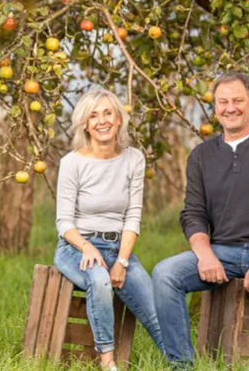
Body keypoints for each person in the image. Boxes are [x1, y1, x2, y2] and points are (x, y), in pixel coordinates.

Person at [152, 72, 249, 370]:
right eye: (223, 102)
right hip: (223, 252)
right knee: (165, 275)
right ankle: (181, 366)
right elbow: (193, 214)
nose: (231, 108)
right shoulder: (201, 156)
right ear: (215, 108)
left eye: (238, 100)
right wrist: (205, 255)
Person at [53, 88, 165, 371]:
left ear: (118, 119)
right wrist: (87, 247)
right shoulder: (72, 163)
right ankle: (108, 363)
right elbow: (63, 222)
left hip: (118, 248)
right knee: (100, 280)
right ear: (85, 124)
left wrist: (123, 261)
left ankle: (182, 362)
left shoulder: (134, 159)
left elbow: (132, 216)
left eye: (107, 113)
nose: (101, 121)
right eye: (93, 115)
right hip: (76, 248)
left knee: (154, 309)